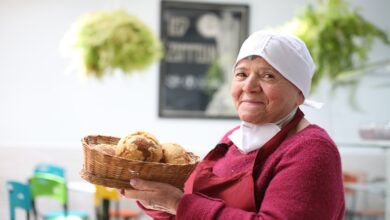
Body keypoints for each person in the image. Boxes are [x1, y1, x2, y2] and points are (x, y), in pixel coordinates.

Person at [120, 30, 345, 219]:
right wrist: (152, 197)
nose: (249, 86)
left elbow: (188, 208)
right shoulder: (233, 139)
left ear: (299, 94)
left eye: (268, 76)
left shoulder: (311, 149)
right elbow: (188, 209)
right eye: (241, 74)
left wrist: (179, 204)